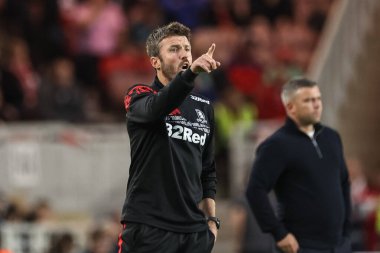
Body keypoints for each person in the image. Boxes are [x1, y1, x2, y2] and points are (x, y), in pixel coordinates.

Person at [118, 22, 220, 253]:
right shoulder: (139, 96)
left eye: (186, 48)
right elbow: (158, 108)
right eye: (174, 49)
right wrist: (192, 73)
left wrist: (211, 223)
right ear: (155, 61)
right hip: (149, 226)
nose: (183, 54)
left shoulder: (204, 108)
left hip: (193, 232)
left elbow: (207, 170)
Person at [245, 77, 351, 253]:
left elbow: (344, 183)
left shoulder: (332, 138)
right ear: (290, 107)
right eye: (308, 100)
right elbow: (255, 190)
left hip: (338, 245)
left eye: (318, 99)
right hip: (301, 246)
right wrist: (279, 233)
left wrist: (346, 233)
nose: (316, 105)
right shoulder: (277, 145)